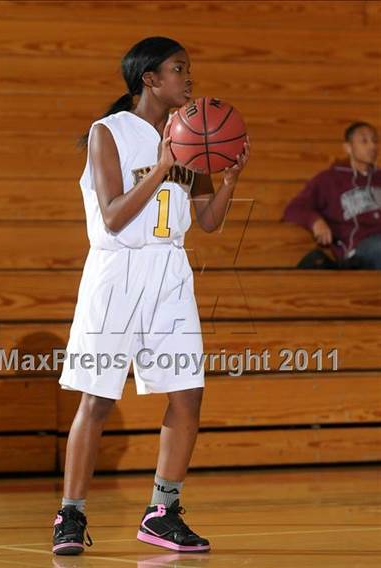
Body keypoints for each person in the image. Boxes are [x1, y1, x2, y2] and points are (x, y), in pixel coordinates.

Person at [52, 37, 249, 556]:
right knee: (96, 399)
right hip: (116, 272)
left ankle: (163, 512)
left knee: (187, 392)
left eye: (189, 69)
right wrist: (163, 166)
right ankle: (70, 516)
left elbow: (207, 222)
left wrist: (228, 180)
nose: (189, 79)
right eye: (179, 69)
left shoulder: (194, 135)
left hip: (170, 270)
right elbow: (114, 216)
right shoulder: (108, 132)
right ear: (150, 79)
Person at [283, 122, 381, 269]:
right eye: (364, 141)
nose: (372, 146)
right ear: (348, 147)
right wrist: (316, 222)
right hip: (359, 248)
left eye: (375, 141)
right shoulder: (329, 179)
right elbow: (294, 209)